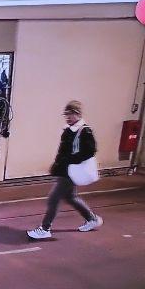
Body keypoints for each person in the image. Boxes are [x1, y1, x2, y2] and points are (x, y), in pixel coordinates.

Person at [27, 100, 104, 239]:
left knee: (53, 199)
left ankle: (45, 228)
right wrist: (57, 165)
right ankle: (92, 219)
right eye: (66, 114)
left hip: (71, 170)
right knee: (71, 197)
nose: (67, 117)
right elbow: (63, 152)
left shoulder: (84, 131)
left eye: (70, 114)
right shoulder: (69, 130)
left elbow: (90, 151)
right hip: (66, 170)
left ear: (78, 114)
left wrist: (71, 160)